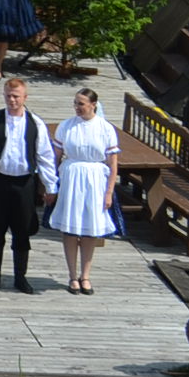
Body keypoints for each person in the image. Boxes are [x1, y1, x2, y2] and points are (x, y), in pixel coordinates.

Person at [0, 74, 58, 294]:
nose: (12, 100)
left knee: (22, 230)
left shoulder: (35, 123)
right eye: (8, 96)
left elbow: (45, 157)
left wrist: (51, 186)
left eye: (16, 96)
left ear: (25, 97)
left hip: (24, 184)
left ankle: (20, 277)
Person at [51, 87, 119, 294]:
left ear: (93, 105)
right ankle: (72, 275)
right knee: (71, 230)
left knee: (90, 230)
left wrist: (109, 192)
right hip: (72, 178)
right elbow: (55, 157)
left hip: (95, 180)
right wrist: (51, 184)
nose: (77, 107)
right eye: (76, 103)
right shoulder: (66, 126)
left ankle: (85, 276)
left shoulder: (106, 129)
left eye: (81, 104)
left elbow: (113, 164)